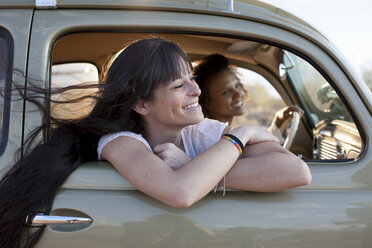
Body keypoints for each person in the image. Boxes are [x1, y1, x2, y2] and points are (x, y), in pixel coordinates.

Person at [0, 38, 311, 248]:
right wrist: (241, 135)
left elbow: (296, 172)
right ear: (141, 104)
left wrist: (194, 167)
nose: (197, 90)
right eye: (179, 85)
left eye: (192, 78)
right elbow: (181, 191)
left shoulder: (200, 132)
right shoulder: (120, 142)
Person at [194, 54, 304, 143]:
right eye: (226, 92)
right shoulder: (211, 141)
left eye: (237, 85)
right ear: (206, 102)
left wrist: (278, 123)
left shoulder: (225, 135)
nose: (238, 93)